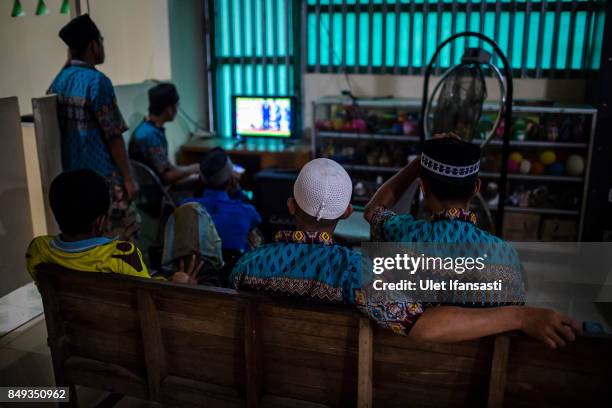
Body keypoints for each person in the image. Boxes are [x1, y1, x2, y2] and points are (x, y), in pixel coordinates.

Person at [231, 158, 580, 348]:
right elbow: (419, 324)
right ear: (343, 213)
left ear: (290, 204)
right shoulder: (358, 273)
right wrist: (521, 316)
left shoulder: (247, 264)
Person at [48, 14, 139, 241]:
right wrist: (128, 179)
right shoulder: (97, 82)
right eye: (101, 40)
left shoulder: (59, 81)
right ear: (92, 45)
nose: (103, 46)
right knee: (124, 243)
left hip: (75, 185)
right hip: (104, 181)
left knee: (89, 247)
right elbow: (113, 135)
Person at [26, 170, 199, 285]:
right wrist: (176, 282)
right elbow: (153, 297)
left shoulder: (39, 249)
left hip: (72, 331)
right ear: (100, 222)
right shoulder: (121, 255)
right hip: (121, 336)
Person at [181, 147, 261, 253]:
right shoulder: (246, 211)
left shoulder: (185, 207)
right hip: (235, 268)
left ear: (200, 178)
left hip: (196, 268)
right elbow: (257, 220)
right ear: (231, 180)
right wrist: (238, 192)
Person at [129, 83, 200, 187]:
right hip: (158, 194)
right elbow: (167, 177)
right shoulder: (151, 136)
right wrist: (194, 169)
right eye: (177, 105)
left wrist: (192, 168)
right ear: (169, 110)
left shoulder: (146, 128)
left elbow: (168, 167)